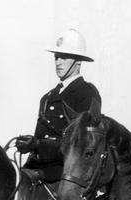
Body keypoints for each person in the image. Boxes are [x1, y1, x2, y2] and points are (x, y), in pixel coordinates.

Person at [16, 28, 101, 182]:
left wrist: (38, 146)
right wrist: (28, 144)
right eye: (56, 57)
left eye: (64, 57)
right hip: (36, 167)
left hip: (64, 175)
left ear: (78, 61)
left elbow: (83, 144)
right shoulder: (47, 97)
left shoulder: (87, 93)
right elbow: (40, 137)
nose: (58, 62)